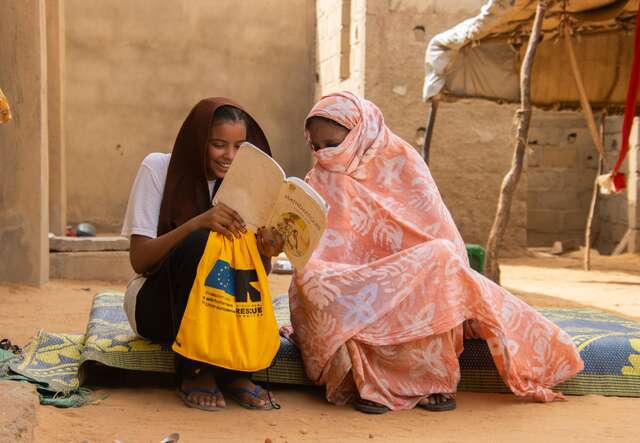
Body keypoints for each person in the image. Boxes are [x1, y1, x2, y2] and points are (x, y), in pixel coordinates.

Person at [283, 91, 584, 414]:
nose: (323, 154)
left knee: (441, 259)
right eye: (315, 146)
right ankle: (367, 381)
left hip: (412, 283)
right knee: (311, 280)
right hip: (355, 283)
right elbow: (317, 251)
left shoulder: (403, 162)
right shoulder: (319, 178)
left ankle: (429, 382)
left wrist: (399, 274)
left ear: (359, 133)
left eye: (332, 144)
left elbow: (437, 234)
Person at [122, 98, 284, 411]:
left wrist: (265, 252)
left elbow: (252, 274)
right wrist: (196, 223)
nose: (230, 156)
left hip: (218, 308)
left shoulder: (245, 185)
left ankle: (236, 372)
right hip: (158, 307)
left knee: (231, 253)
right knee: (201, 241)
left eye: (239, 147)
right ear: (198, 140)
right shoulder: (158, 169)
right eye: (219, 145)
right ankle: (196, 371)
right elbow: (140, 260)